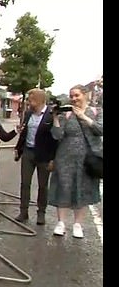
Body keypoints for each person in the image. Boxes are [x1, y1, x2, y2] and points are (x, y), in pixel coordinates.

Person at [48, 85, 102, 238]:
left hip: (88, 159)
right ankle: (61, 223)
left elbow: (100, 129)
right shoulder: (67, 114)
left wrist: (84, 117)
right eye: (72, 96)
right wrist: (55, 118)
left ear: (85, 95)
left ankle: (78, 224)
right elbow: (57, 135)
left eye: (77, 95)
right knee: (63, 187)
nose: (74, 99)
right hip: (65, 157)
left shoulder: (96, 112)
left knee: (83, 189)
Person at [13, 89, 58, 225]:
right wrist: (18, 148)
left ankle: (41, 213)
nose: (28, 102)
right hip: (28, 152)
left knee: (43, 185)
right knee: (25, 183)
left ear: (39, 100)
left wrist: (53, 159)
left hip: (44, 155)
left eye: (30, 99)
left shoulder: (51, 115)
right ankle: (23, 212)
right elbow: (24, 132)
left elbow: (56, 138)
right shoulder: (28, 114)